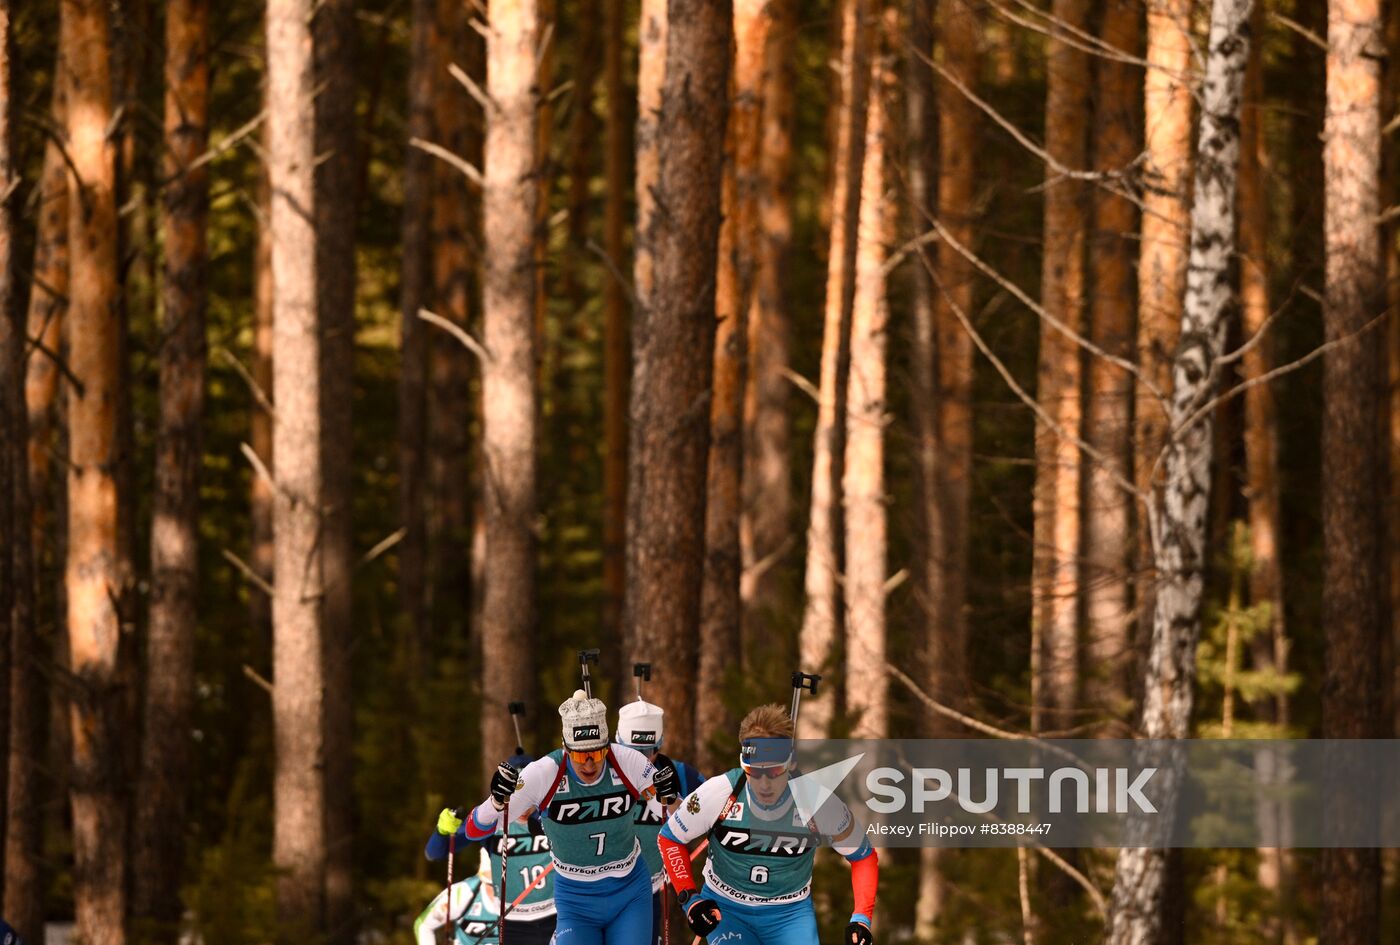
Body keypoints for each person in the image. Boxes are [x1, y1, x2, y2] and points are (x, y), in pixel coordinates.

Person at [461, 689, 681, 945]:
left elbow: (678, 820)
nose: (589, 764)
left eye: (597, 753)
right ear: (566, 748)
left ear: (607, 746)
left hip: (629, 892)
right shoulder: (542, 773)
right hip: (576, 899)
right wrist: (496, 801)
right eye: (579, 755)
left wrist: (670, 798)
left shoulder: (627, 760)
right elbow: (475, 830)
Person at [657, 704, 879, 945]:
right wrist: (691, 900)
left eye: (774, 772)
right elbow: (670, 838)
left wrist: (861, 917)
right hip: (727, 910)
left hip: (790, 914)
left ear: (790, 764)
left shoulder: (818, 801)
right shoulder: (720, 792)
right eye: (754, 771)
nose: (764, 784)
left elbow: (863, 855)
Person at [427, 753, 557, 945]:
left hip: (556, 914)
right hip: (514, 921)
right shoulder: (492, 820)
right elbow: (435, 853)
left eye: (527, 794)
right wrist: (442, 831)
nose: (521, 806)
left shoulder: (549, 815)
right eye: (514, 795)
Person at [615, 698, 705, 944]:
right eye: (632, 752)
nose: (641, 761)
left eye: (647, 752)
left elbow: (706, 813)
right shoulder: (599, 771)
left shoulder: (680, 775)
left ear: (659, 746)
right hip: (598, 884)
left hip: (649, 888)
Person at [413, 849, 501, 945]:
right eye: (490, 885)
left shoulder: (519, 893)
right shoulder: (463, 892)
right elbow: (424, 925)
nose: (495, 891)